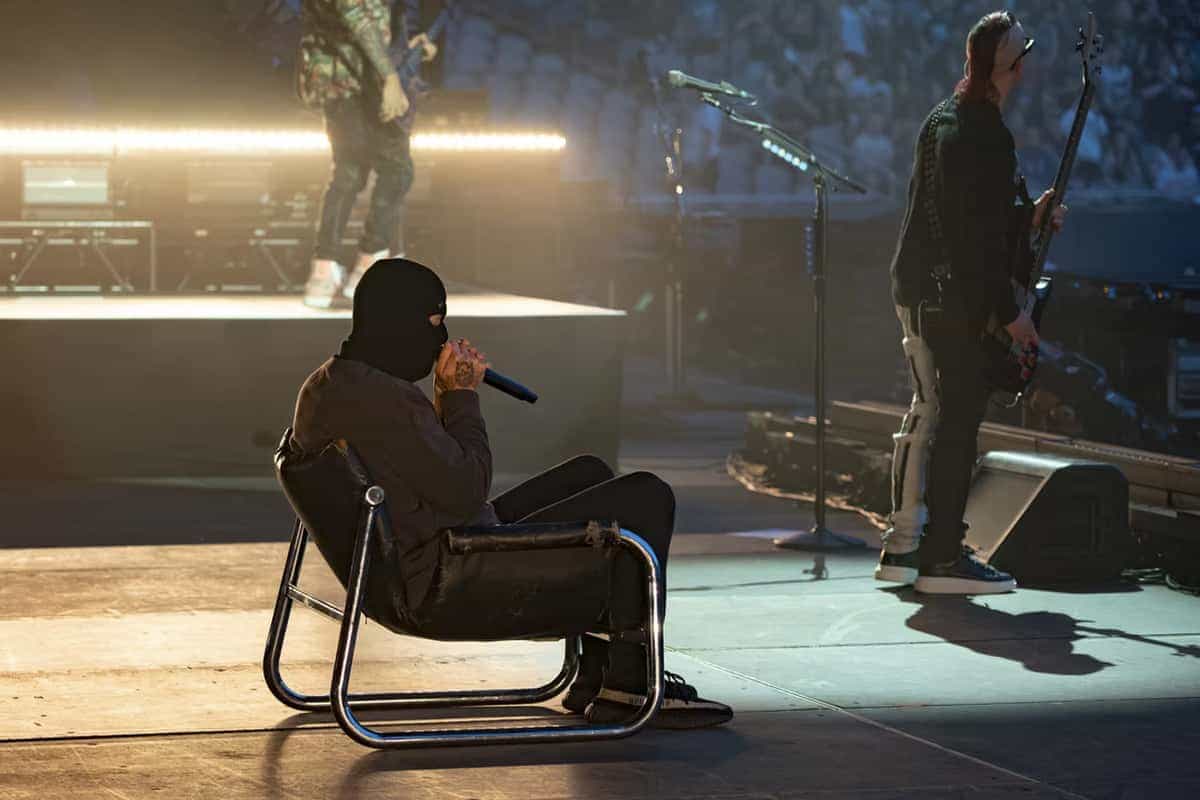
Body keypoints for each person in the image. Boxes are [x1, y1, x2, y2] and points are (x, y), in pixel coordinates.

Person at [290, 257, 733, 729]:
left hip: (417, 555)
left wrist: (441, 402)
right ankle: (631, 682)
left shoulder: (333, 382)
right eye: (434, 323)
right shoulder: (386, 400)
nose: (441, 339)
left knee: (590, 474)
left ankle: (596, 673)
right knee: (646, 498)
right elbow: (465, 489)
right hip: (439, 578)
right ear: (397, 320)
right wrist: (459, 397)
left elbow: (425, 474)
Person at [878, 11, 1068, 594]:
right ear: (1010, 68)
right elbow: (971, 242)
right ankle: (940, 556)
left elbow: (975, 218)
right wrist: (1011, 315)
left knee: (932, 412)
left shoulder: (945, 119)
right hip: (949, 299)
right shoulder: (983, 135)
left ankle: (908, 545)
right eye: (1023, 55)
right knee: (956, 420)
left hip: (924, 290)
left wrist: (1027, 219)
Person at [295, 0, 438, 308]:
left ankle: (327, 272)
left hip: (352, 80)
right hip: (351, 80)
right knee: (392, 170)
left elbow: (373, 20)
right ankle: (365, 263)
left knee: (351, 171)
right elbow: (357, 18)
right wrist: (390, 77)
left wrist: (406, 46)